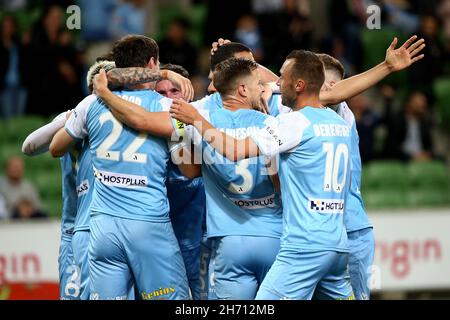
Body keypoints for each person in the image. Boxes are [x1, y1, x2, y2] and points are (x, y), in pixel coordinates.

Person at [170, 50, 354, 300]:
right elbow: (278, 180)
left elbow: (212, 160)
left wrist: (190, 124)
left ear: (299, 85)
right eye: (262, 83)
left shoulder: (290, 124)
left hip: (293, 244)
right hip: (331, 242)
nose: (274, 85)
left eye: (280, 77)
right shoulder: (339, 124)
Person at [49, 35, 190, 300]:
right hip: (148, 224)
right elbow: (187, 165)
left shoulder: (91, 103)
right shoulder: (168, 106)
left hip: (102, 230)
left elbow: (56, 148)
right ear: (152, 63)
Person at [172, 58, 283, 300]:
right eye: (258, 85)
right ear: (243, 89)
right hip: (274, 236)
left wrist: (178, 132)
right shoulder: (273, 124)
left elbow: (189, 172)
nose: (262, 90)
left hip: (229, 241)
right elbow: (280, 183)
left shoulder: (199, 123)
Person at [21, 59, 116, 300]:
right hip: (76, 228)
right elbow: (29, 147)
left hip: (112, 227)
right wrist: (70, 118)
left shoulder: (125, 117)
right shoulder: (74, 117)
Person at [317, 53, 374, 300]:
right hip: (319, 234)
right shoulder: (301, 115)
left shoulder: (342, 112)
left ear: (331, 87)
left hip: (352, 231)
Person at [155, 63, 206, 300]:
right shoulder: (143, 130)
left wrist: (178, 131)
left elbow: (190, 172)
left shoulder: (204, 123)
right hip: (157, 242)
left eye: (174, 92)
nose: (167, 100)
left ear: (188, 93)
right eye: (161, 93)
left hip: (200, 239)